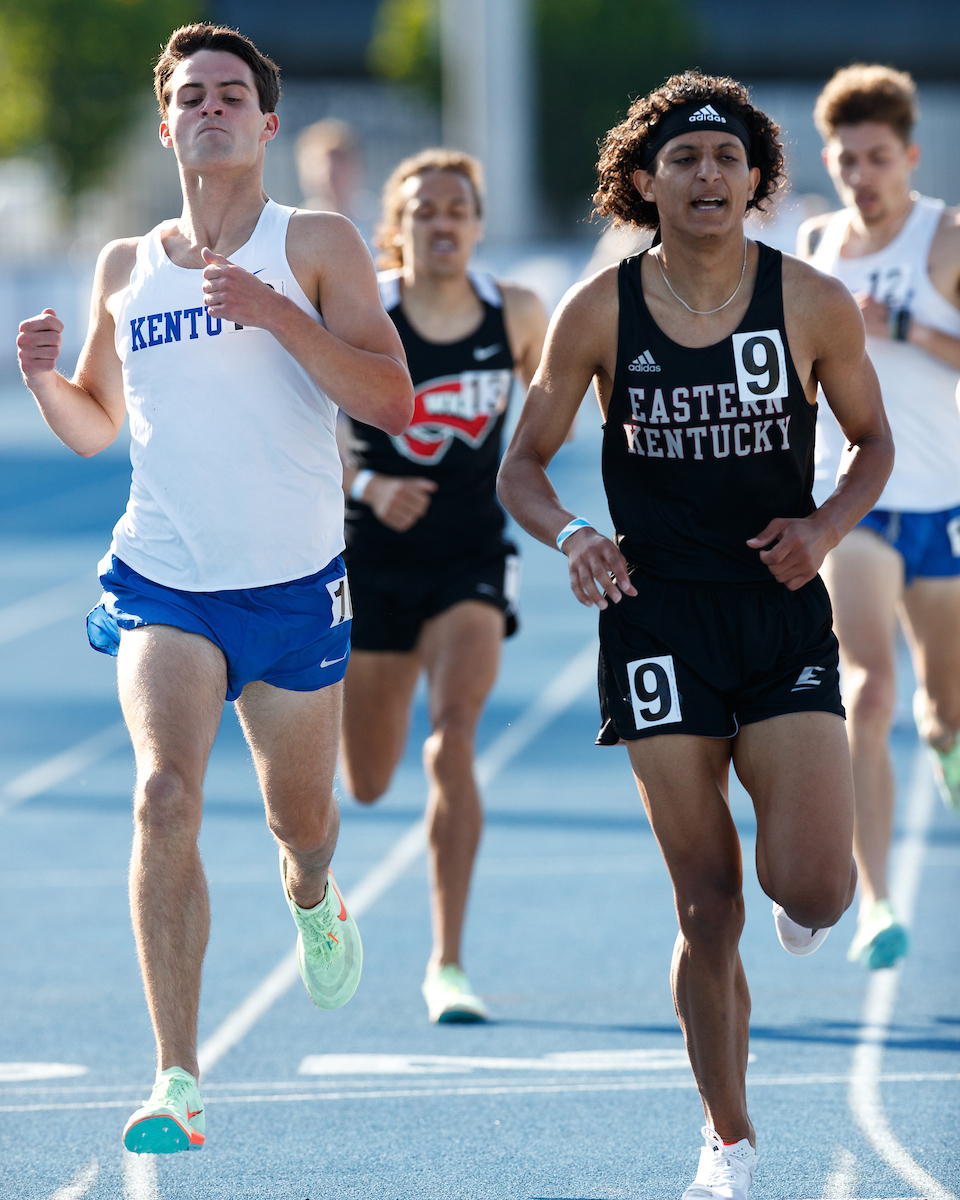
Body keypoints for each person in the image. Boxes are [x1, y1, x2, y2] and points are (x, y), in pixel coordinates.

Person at [16, 23, 412, 1155]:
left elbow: (391, 403)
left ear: (267, 123)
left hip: (292, 592)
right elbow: (96, 426)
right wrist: (45, 381)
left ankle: (312, 895)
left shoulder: (319, 241)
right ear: (167, 122)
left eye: (232, 93)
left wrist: (276, 313)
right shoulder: (124, 266)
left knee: (305, 826)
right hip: (164, 582)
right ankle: (175, 1078)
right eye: (190, 94)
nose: (211, 107)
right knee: (163, 799)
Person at [498, 71, 892, 1200]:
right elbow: (523, 465)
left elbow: (871, 447)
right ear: (643, 182)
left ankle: (798, 897)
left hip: (778, 608)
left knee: (815, 891)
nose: (707, 175)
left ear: (759, 180)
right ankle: (728, 1141)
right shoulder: (597, 310)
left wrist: (823, 528)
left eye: (726, 159)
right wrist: (576, 534)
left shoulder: (811, 301)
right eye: (683, 160)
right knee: (704, 904)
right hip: (656, 615)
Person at [336, 148, 547, 1023]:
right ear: (399, 227)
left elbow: (557, 407)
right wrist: (367, 484)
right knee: (371, 780)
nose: (443, 222)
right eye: (424, 209)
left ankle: (447, 963)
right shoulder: (361, 313)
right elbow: (297, 422)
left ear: (479, 223)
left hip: (470, 555)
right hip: (371, 562)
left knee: (452, 738)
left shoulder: (519, 314)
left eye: (458, 207)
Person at [799, 64, 960, 972]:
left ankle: (948, 742)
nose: (862, 175)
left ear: (910, 156)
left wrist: (899, 329)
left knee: (944, 709)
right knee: (867, 687)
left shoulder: (947, 239)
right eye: (847, 158)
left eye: (878, 158)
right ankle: (877, 901)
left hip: (945, 502)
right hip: (854, 501)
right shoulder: (817, 241)